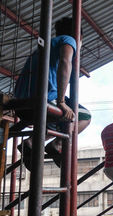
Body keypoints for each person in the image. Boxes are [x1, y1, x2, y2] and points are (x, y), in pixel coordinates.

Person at [14, 16, 91, 171]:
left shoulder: (46, 46)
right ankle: (55, 144)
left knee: (62, 120)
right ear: (79, 36)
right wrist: (61, 101)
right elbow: (65, 63)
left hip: (21, 103)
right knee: (84, 116)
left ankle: (32, 142)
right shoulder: (69, 41)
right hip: (43, 98)